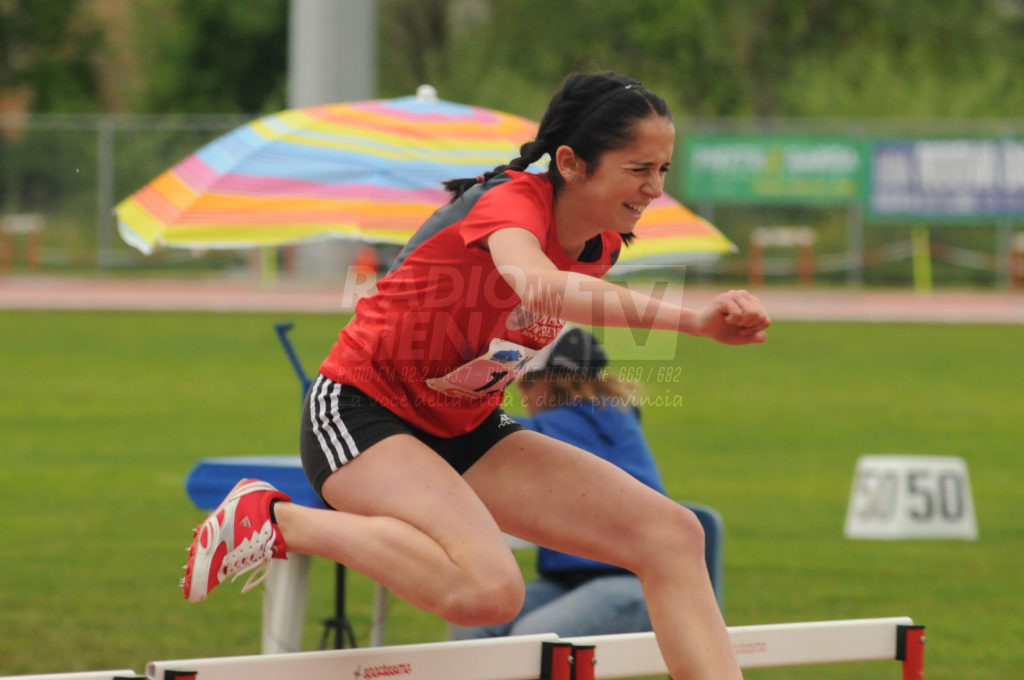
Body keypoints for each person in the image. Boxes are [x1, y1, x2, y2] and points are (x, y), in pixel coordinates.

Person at [182, 71, 769, 680]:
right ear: (570, 163)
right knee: (489, 592)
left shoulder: (600, 244)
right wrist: (695, 322)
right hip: (362, 413)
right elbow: (539, 285)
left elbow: (539, 307)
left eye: (663, 171)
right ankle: (276, 520)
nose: (654, 189)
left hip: (466, 426)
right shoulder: (512, 200)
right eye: (639, 168)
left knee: (673, 534)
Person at [452, 325, 666, 639]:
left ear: (558, 380)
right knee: (474, 620)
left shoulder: (593, 416)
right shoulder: (602, 417)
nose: (518, 391)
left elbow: (492, 439)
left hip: (637, 583)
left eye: (525, 380)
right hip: (570, 582)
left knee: (534, 639)